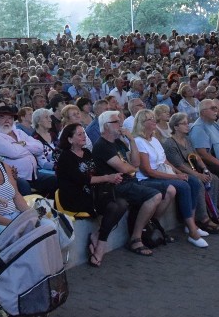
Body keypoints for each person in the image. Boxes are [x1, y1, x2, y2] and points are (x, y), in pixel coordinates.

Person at [93, 110, 177, 256]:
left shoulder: (119, 142)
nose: (120, 124)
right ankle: (135, 238)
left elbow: (135, 163)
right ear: (106, 126)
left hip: (131, 181)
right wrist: (133, 168)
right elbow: (125, 168)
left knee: (167, 190)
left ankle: (149, 226)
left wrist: (131, 140)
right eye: (116, 122)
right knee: (155, 195)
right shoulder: (102, 145)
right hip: (114, 186)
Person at [132, 109, 210, 247]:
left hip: (162, 173)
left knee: (194, 181)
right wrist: (176, 177)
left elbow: (165, 161)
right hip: (147, 179)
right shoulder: (139, 142)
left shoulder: (154, 139)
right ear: (142, 124)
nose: (154, 120)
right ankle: (192, 231)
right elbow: (149, 171)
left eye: (153, 117)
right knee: (184, 185)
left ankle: (189, 223)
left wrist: (177, 172)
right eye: (150, 119)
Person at [56, 122, 129, 266]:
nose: (84, 136)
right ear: (70, 139)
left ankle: (98, 236)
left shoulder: (87, 153)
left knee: (122, 203)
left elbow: (97, 173)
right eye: (79, 134)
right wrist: (108, 178)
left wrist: (113, 177)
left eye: (84, 133)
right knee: (113, 207)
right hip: (74, 196)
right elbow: (82, 179)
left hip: (93, 193)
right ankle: (100, 246)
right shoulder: (65, 157)